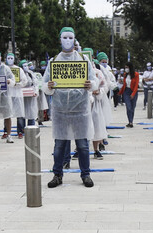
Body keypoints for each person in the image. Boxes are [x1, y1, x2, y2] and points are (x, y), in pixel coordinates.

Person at [43, 27, 97, 188]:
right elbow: (44, 83)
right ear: (60, 39)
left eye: (70, 37)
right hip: (60, 110)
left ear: (74, 39)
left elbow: (93, 80)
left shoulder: (82, 60)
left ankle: (85, 174)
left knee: (82, 145)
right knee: (59, 145)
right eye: (64, 37)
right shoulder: (54, 62)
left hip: (80, 109)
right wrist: (49, 86)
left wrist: (90, 84)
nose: (67, 40)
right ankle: (57, 175)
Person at [0, 51, 16, 142]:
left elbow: (13, 79)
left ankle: (9, 135)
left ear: (1, 57)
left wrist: (9, 81)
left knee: (7, 115)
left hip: (5, 95)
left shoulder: (6, 68)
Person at [5, 53, 25, 139]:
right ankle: (6, 131)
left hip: (17, 94)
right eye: (8, 58)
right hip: (7, 94)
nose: (10, 59)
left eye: (11, 58)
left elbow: (24, 81)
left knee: (19, 114)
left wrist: (16, 84)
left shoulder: (19, 69)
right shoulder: (4, 69)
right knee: (6, 114)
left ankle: (20, 131)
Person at [20, 60, 39, 132]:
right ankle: (21, 130)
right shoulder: (19, 75)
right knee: (21, 114)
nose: (26, 67)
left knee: (31, 113)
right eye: (24, 66)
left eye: (26, 65)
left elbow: (36, 84)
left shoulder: (31, 74)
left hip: (31, 97)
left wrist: (35, 92)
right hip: (22, 98)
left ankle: (31, 129)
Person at [119, 62, 139, 127]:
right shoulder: (125, 74)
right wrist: (120, 92)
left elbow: (136, 85)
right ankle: (129, 121)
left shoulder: (136, 74)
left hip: (133, 91)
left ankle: (131, 121)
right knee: (128, 107)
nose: (126, 69)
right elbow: (124, 84)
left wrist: (133, 94)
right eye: (125, 68)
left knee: (133, 107)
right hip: (126, 91)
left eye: (127, 67)